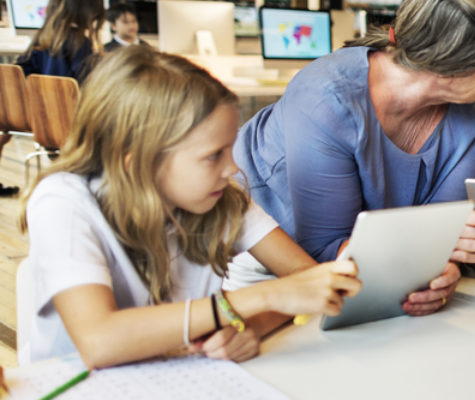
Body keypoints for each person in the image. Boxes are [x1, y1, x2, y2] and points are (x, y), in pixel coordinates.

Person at [18, 47, 361, 368]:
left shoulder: (219, 197)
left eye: (229, 150)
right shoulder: (62, 202)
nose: (233, 169)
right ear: (140, 163)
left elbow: (305, 280)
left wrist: (251, 327)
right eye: (214, 155)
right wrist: (258, 298)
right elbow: (98, 340)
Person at [231, 0, 475, 315]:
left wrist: (445, 271)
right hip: (270, 266)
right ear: (452, 64)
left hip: (381, 272)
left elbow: (441, 228)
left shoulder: (473, 112)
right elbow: (323, 248)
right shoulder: (327, 98)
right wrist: (422, 256)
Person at [5, 0, 104, 197]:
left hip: (43, 123)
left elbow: (21, 71)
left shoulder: (43, 38)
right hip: (72, 126)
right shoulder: (80, 42)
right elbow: (85, 85)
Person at [16, 0, 102, 80]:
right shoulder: (81, 43)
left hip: (40, 95)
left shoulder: (42, 39)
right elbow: (84, 83)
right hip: (68, 96)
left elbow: (19, 71)